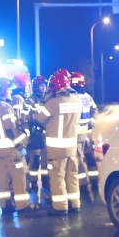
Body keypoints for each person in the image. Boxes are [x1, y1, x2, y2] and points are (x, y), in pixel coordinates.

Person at [0, 78, 35, 215]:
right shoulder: (5, 106)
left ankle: (5, 205)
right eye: (9, 89)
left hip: (0, 150)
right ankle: (22, 205)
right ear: (2, 91)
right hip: (11, 150)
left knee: (3, 179)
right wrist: (21, 144)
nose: (10, 92)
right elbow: (11, 129)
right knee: (19, 176)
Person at [41, 69, 82, 216]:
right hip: (72, 148)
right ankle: (75, 204)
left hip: (56, 150)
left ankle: (60, 207)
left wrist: (45, 99)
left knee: (57, 177)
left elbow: (39, 118)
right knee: (72, 176)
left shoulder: (52, 103)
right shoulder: (77, 101)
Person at [70, 72, 99, 189]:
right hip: (87, 132)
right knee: (90, 156)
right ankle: (94, 180)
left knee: (79, 158)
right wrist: (92, 121)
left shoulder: (72, 98)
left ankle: (82, 184)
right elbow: (95, 109)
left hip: (77, 134)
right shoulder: (87, 96)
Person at [25, 75, 49, 193]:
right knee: (34, 160)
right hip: (35, 134)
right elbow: (26, 116)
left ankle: (45, 181)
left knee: (45, 160)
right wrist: (33, 119)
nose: (44, 88)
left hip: (45, 134)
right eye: (41, 86)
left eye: (45, 86)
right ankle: (33, 182)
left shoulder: (49, 98)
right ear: (36, 87)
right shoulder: (30, 100)